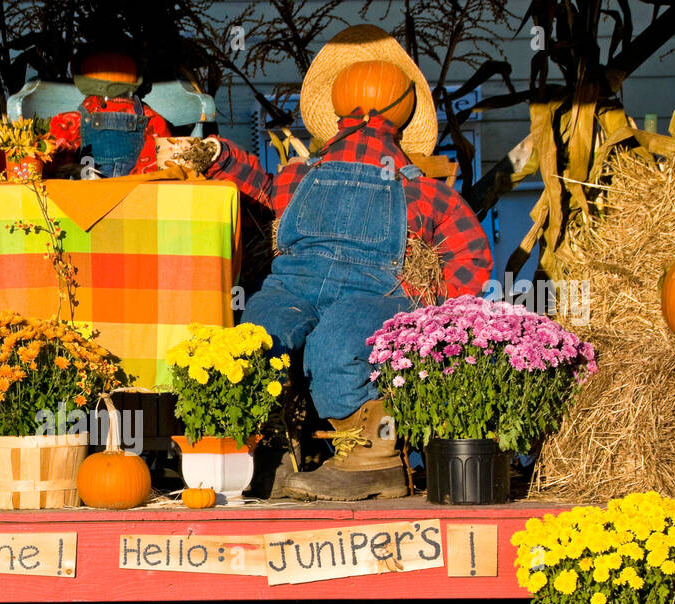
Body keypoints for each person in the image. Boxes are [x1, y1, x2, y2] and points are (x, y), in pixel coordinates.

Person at [203, 25, 493, 501]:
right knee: (256, 338)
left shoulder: (416, 187)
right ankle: (273, 449)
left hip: (372, 290)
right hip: (292, 287)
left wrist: (424, 311)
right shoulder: (302, 175)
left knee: (336, 346)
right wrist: (218, 155)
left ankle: (371, 459)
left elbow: (468, 258)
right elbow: (260, 184)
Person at [48, 50, 172, 177]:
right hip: (130, 191)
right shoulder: (150, 118)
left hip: (91, 193)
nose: (112, 71)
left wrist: (70, 168)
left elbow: (52, 155)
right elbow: (156, 161)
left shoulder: (73, 120)